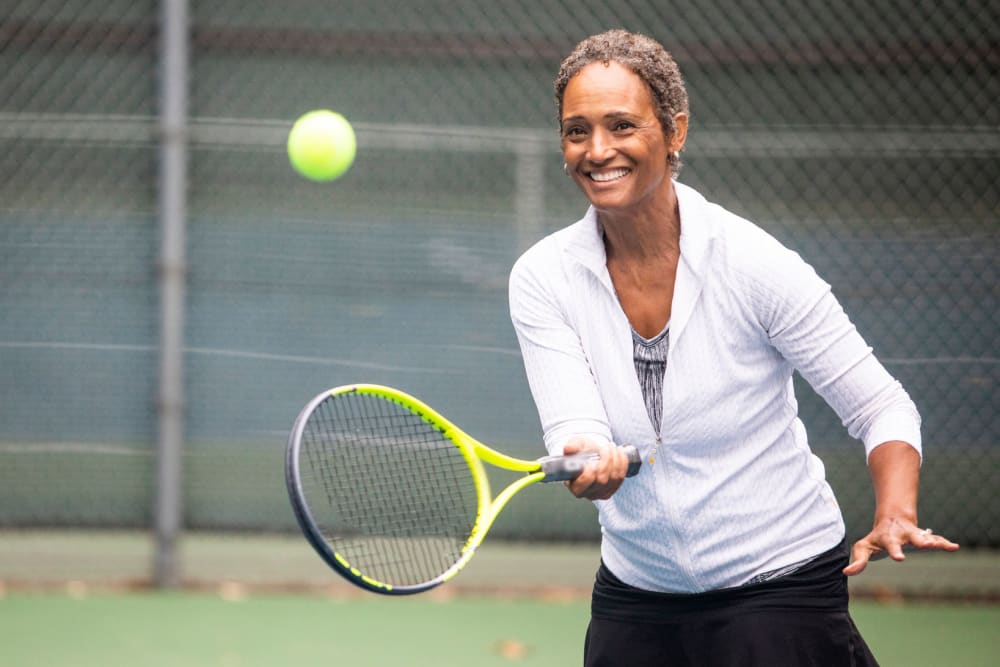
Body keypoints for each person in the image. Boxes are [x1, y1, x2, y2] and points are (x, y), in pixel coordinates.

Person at [508, 29, 959, 666]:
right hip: (638, 592)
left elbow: (881, 406)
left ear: (675, 131)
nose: (597, 150)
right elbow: (574, 424)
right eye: (577, 130)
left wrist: (895, 511)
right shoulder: (541, 277)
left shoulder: (753, 264)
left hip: (779, 585)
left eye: (621, 125)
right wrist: (587, 460)